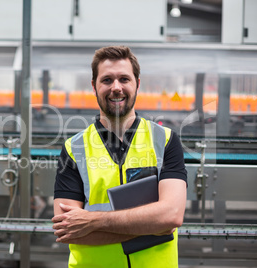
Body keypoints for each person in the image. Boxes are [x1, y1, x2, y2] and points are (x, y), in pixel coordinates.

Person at [52, 46, 187, 267]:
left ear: (137, 84)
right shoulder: (74, 148)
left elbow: (171, 216)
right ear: (94, 86)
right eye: (107, 80)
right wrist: (152, 227)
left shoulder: (165, 140)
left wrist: (93, 221)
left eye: (124, 79)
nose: (116, 87)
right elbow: (68, 232)